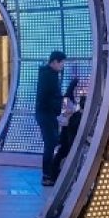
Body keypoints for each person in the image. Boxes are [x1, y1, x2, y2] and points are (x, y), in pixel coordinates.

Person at [35, 50, 66, 186]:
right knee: (50, 143)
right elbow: (49, 96)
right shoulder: (50, 76)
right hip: (46, 114)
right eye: (61, 63)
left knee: (52, 142)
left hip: (47, 114)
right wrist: (56, 107)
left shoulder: (48, 74)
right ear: (54, 62)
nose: (62, 66)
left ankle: (51, 172)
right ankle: (47, 175)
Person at [45, 77, 83, 185]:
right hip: (68, 129)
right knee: (64, 151)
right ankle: (54, 176)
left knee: (64, 151)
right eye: (78, 88)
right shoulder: (67, 98)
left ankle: (56, 175)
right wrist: (77, 110)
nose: (79, 90)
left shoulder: (80, 100)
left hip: (72, 128)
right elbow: (67, 111)